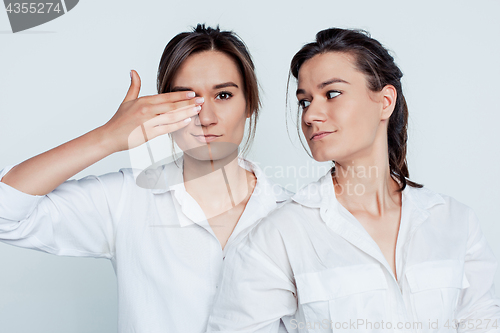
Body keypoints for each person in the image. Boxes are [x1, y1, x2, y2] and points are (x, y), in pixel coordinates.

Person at [0, 24, 291, 333]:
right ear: (162, 108)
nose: (205, 118)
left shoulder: (289, 212)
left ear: (250, 104)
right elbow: (6, 214)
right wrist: (107, 138)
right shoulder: (127, 198)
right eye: (186, 99)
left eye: (223, 95)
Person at [206, 28, 500, 332]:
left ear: (385, 102)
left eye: (331, 94)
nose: (309, 116)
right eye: (304, 101)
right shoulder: (278, 237)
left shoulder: (455, 222)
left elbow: (483, 322)